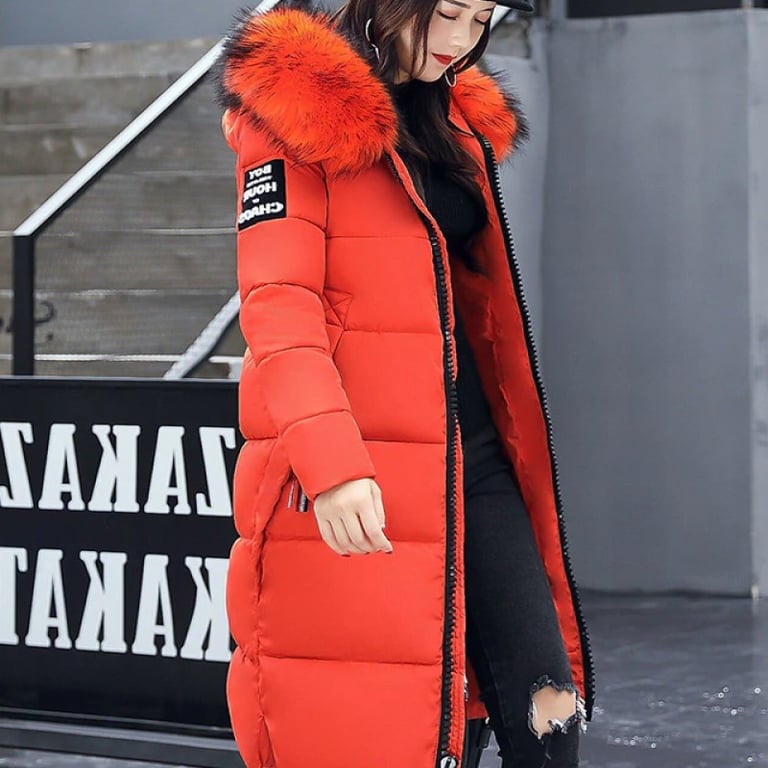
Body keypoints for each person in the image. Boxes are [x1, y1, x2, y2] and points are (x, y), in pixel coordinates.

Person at [212, 0, 596, 766]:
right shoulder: (293, 110)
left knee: (547, 715)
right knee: (399, 733)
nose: (460, 41)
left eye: (480, 19)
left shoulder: (451, 119)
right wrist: (331, 466)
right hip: (364, 471)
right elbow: (280, 303)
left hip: (475, 458)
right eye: (447, 12)